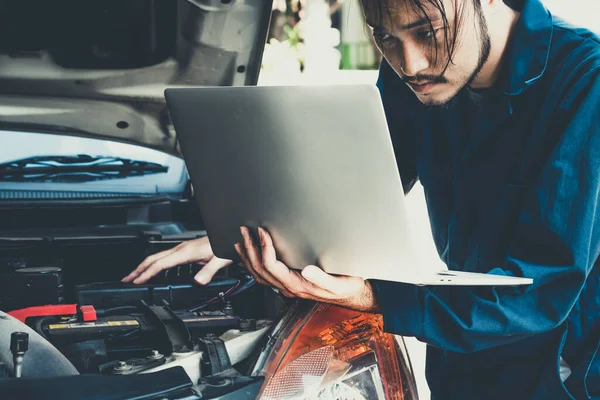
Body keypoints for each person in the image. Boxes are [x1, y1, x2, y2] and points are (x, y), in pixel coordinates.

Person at [124, 0, 600, 397]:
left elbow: (543, 290)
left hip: (560, 368)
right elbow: (358, 183)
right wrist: (242, 225)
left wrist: (372, 296)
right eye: (385, 37)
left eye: (427, 32)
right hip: (458, 355)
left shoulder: (586, 84)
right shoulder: (419, 72)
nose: (410, 63)